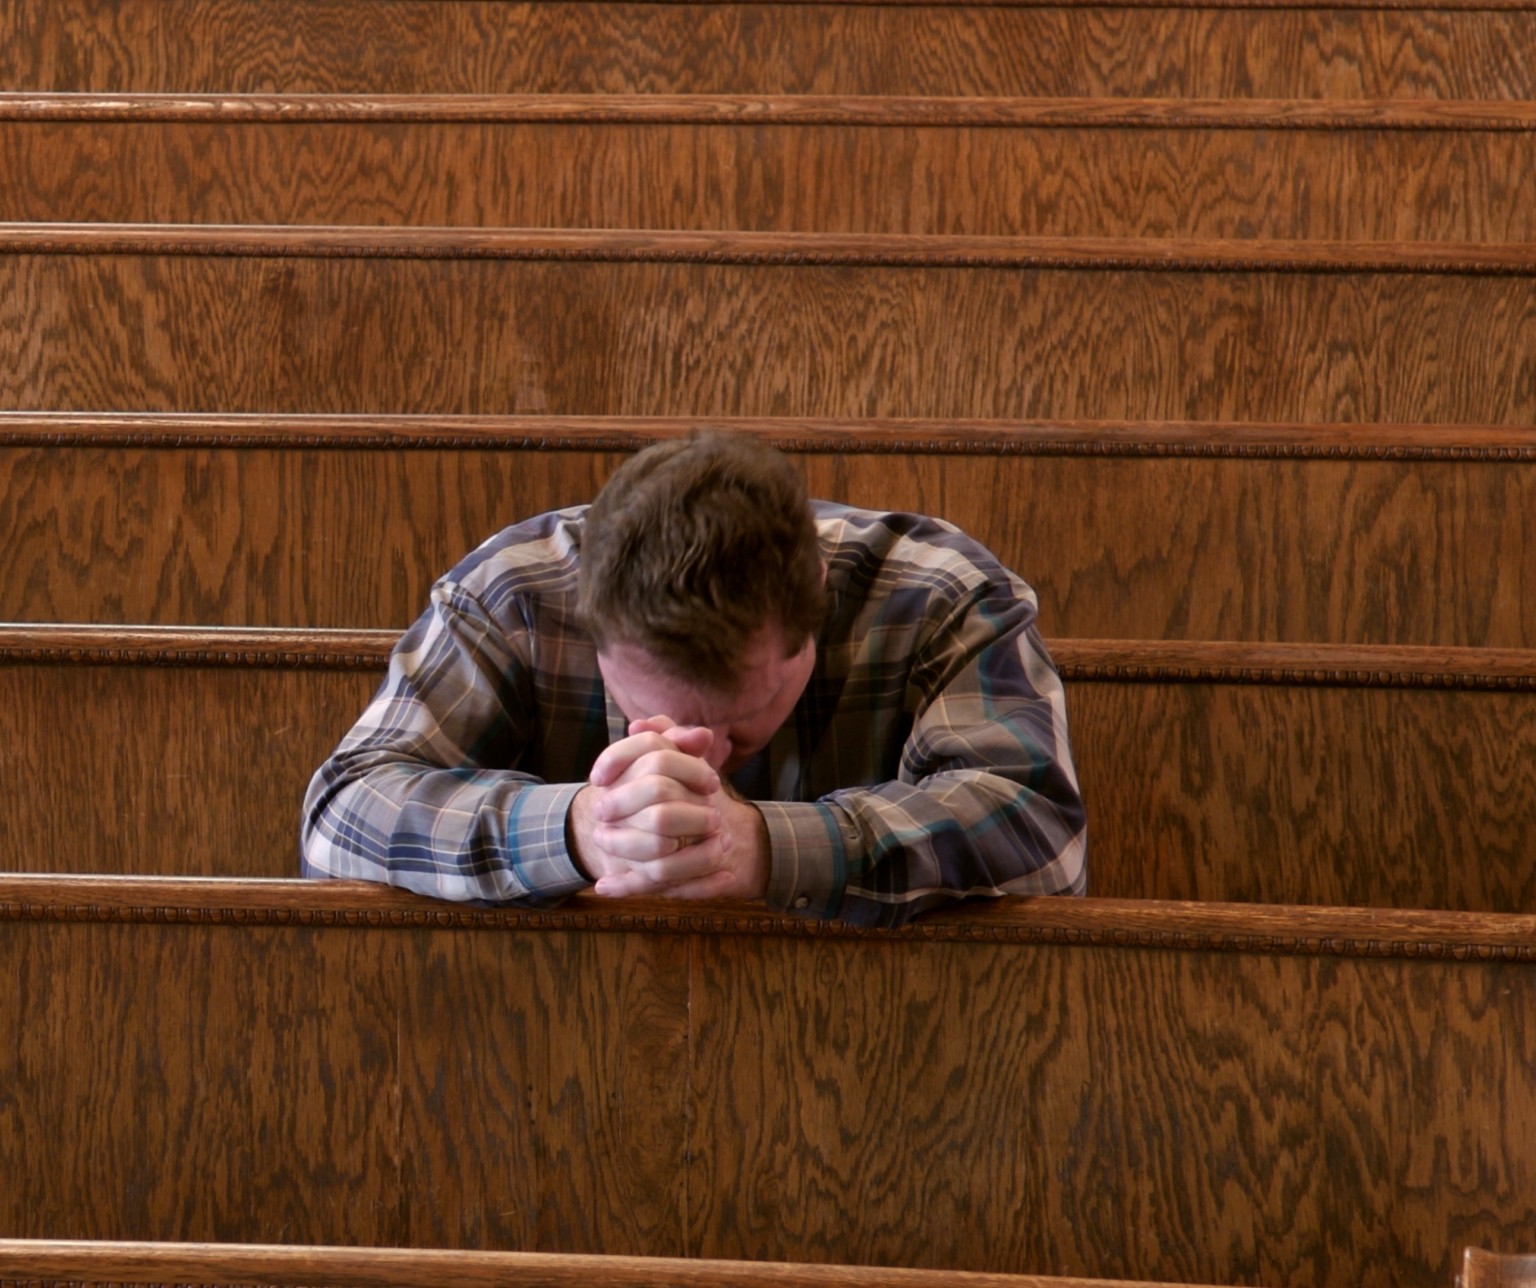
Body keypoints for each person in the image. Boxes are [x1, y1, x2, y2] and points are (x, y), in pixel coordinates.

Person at [301, 432, 1086, 928]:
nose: (698, 763)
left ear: (816, 601)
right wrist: (579, 830)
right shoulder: (515, 593)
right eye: (648, 710)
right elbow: (338, 821)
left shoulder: (944, 596)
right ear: (589, 619)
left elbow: (1046, 843)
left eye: (739, 719)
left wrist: (769, 848)